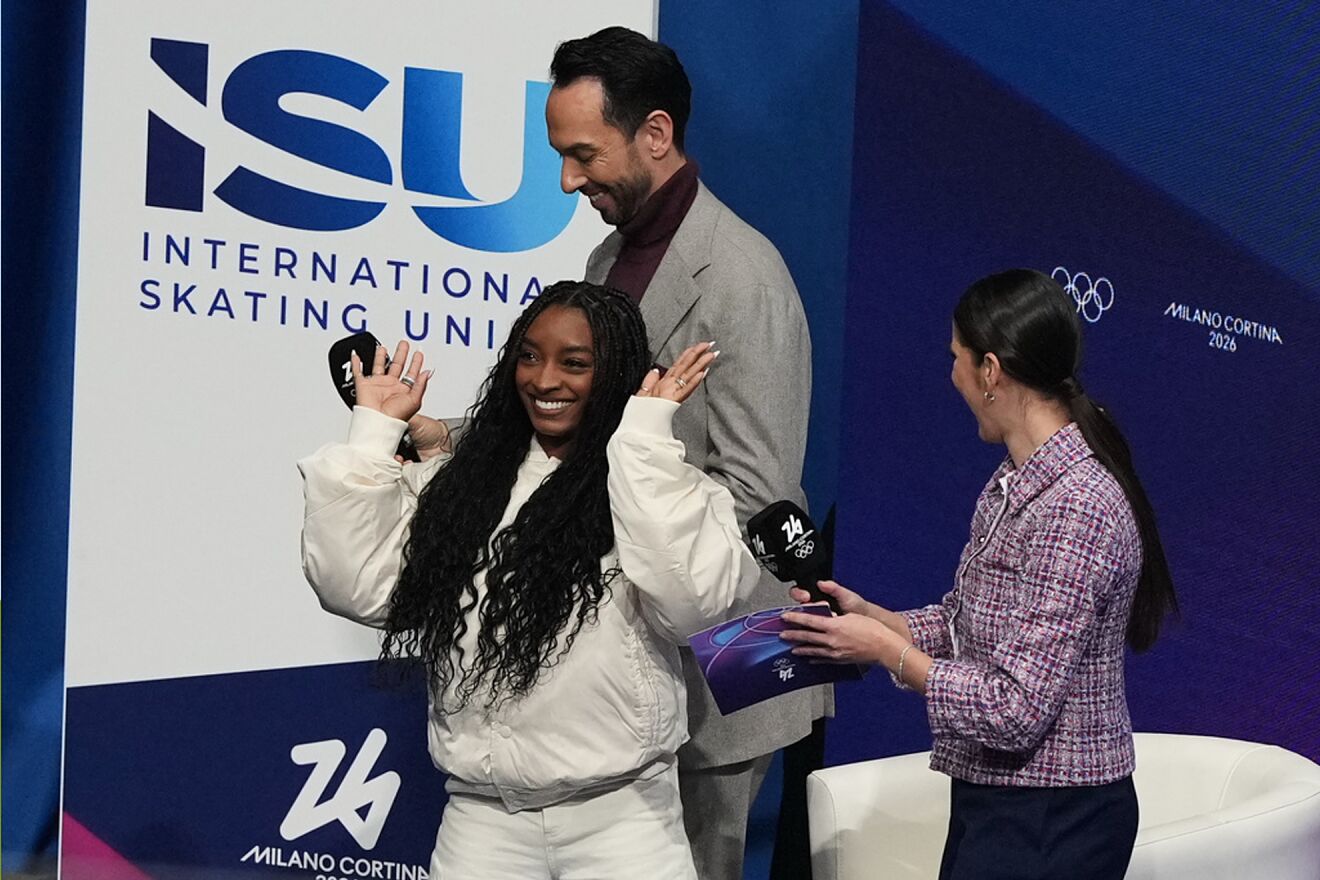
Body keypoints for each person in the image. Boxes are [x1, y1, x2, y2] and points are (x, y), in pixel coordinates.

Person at [299, 281, 760, 879]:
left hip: (624, 825)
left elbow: (691, 606)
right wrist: (373, 437)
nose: (544, 381)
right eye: (529, 356)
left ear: (616, 373)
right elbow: (359, 588)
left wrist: (642, 444)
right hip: (482, 825)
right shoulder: (464, 489)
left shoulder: (664, 487)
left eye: (575, 363)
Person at [781, 269, 1178, 880]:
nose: (952, 376)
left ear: (991, 371)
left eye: (956, 358)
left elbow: (1016, 707)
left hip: (1054, 817)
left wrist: (888, 653)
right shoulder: (1013, 480)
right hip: (1000, 799)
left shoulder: (1077, 507)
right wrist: (878, 621)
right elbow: (969, 625)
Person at [545, 27, 826, 879]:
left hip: (727, 657)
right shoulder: (608, 255)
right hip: (627, 655)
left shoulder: (746, 277)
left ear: (655, 135)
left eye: (584, 154)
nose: (568, 180)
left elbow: (758, 500)